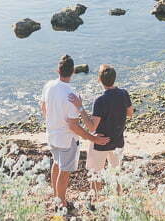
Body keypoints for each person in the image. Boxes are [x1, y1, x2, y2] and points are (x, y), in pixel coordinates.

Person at [40, 55, 109, 210]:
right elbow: (73, 126)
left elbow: (43, 107)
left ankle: (57, 197)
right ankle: (62, 204)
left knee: (56, 165)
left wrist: (52, 121)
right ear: (72, 71)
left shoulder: (49, 85)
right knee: (64, 173)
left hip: (52, 135)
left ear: (58, 70)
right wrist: (93, 138)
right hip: (67, 140)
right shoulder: (71, 95)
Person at [69, 64, 133, 196]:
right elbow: (130, 113)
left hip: (100, 143)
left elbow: (92, 127)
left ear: (99, 80)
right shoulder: (124, 94)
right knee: (116, 173)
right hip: (118, 141)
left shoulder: (100, 100)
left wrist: (80, 108)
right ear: (114, 79)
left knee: (95, 174)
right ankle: (118, 199)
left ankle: (96, 201)